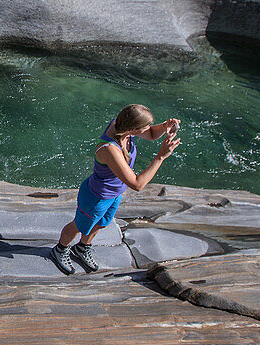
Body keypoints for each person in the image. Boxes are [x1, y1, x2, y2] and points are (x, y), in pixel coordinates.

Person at [51, 104, 181, 275]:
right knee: (79, 225)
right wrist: (160, 157)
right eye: (144, 126)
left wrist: (164, 127)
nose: (148, 129)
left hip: (114, 194)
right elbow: (137, 184)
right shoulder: (110, 148)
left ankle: (82, 247)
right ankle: (60, 249)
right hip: (96, 196)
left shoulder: (123, 126)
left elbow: (150, 134)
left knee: (101, 223)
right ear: (133, 128)